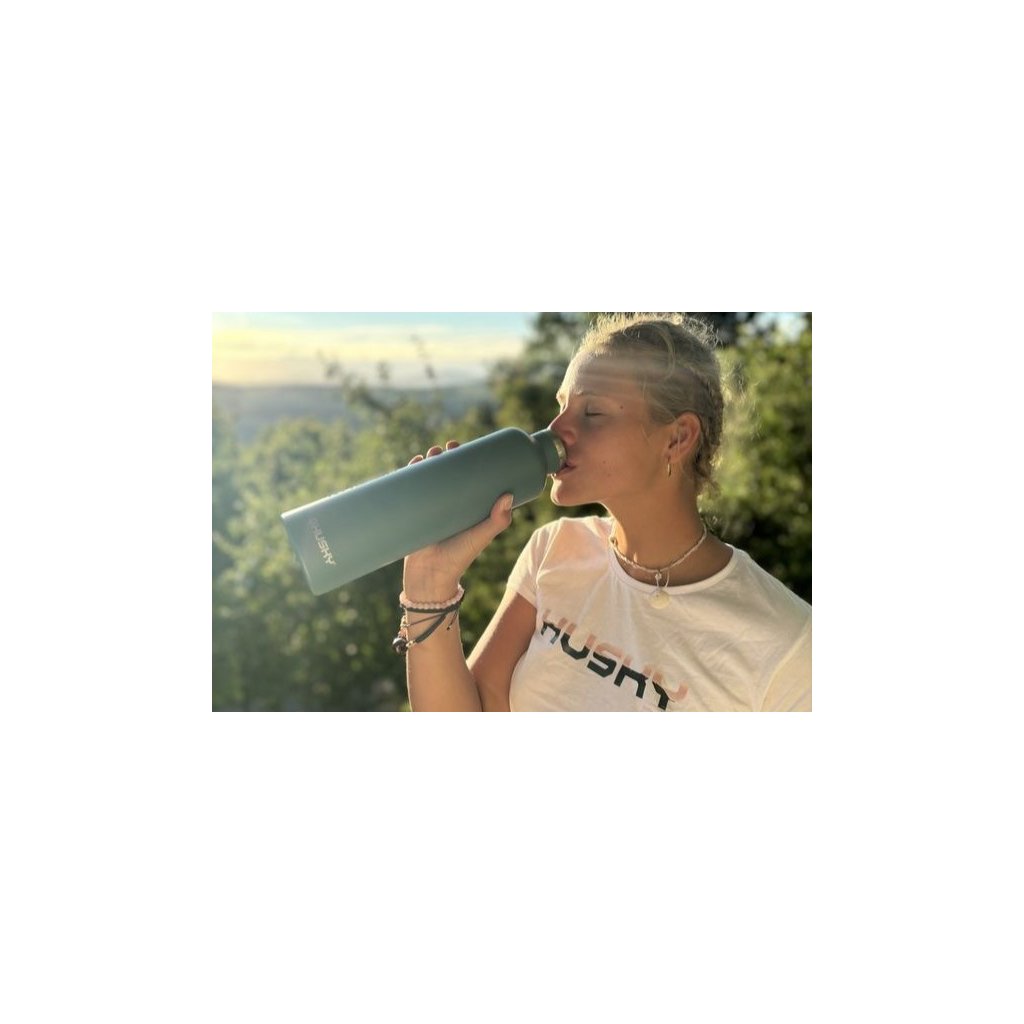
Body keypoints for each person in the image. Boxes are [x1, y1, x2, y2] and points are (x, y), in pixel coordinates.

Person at [398, 313, 811, 712]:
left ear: (678, 438)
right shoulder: (555, 549)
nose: (555, 429)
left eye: (592, 412)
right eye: (562, 405)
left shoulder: (791, 644)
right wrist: (429, 586)